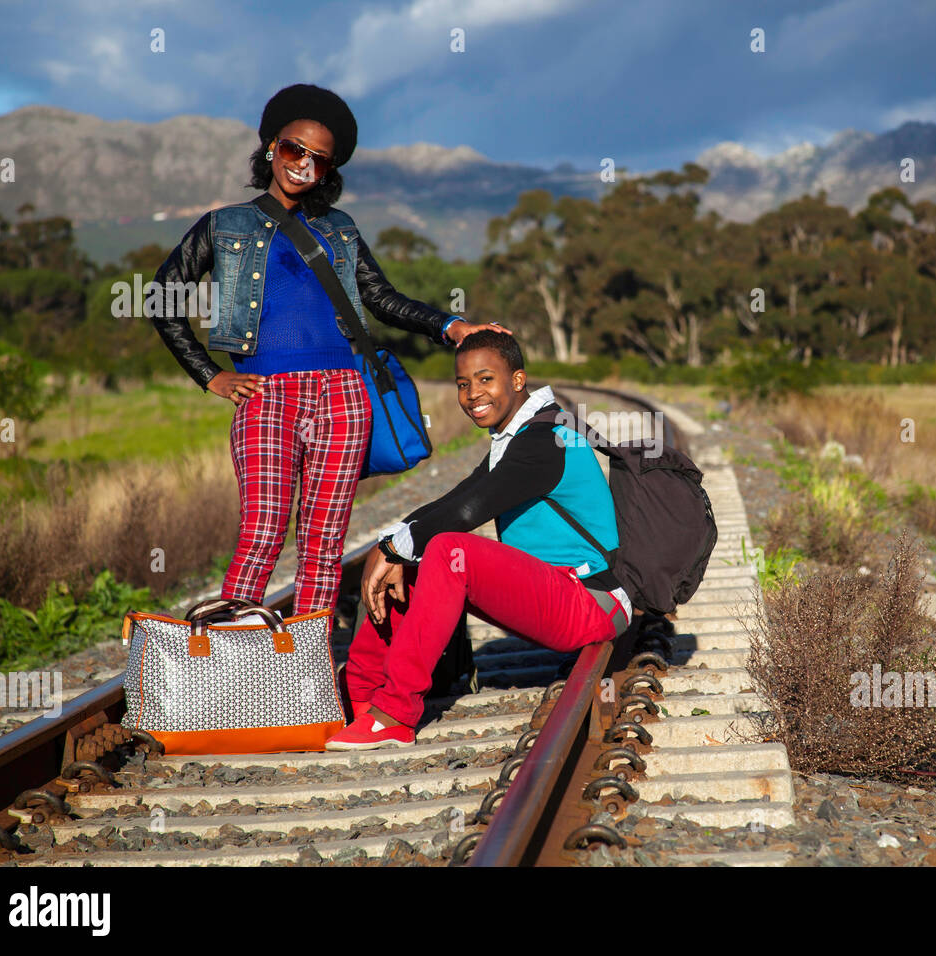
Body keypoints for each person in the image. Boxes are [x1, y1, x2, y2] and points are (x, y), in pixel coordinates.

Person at [147, 83, 505, 616]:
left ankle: (304, 676)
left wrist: (449, 325)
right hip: (265, 394)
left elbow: (381, 299)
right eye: (294, 150)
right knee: (263, 529)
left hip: (344, 397)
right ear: (272, 147)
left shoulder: (339, 230)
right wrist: (210, 375)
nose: (302, 165)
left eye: (319, 160)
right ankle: (231, 666)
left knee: (322, 547)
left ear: (329, 172)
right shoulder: (226, 225)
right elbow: (161, 296)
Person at [327, 330, 632, 750]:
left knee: (448, 550)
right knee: (416, 553)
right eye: (463, 384)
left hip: (591, 603)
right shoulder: (520, 436)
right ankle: (362, 697)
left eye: (486, 380)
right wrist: (393, 544)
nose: (473, 394)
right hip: (556, 591)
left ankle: (395, 713)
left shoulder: (545, 441)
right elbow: (455, 500)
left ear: (518, 380)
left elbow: (470, 512)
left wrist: (395, 547)